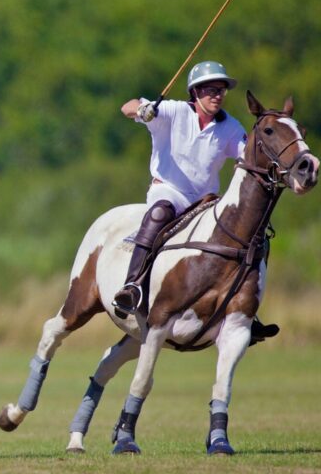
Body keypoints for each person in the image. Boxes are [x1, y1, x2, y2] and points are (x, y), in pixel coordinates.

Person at [112, 60, 278, 339]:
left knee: (253, 236)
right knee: (158, 215)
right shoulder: (173, 111)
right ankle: (133, 287)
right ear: (195, 92)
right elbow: (126, 106)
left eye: (222, 90)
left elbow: (247, 156)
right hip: (168, 192)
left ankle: (247, 309)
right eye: (211, 89)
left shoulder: (230, 127)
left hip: (205, 203)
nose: (218, 95)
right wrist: (143, 110)